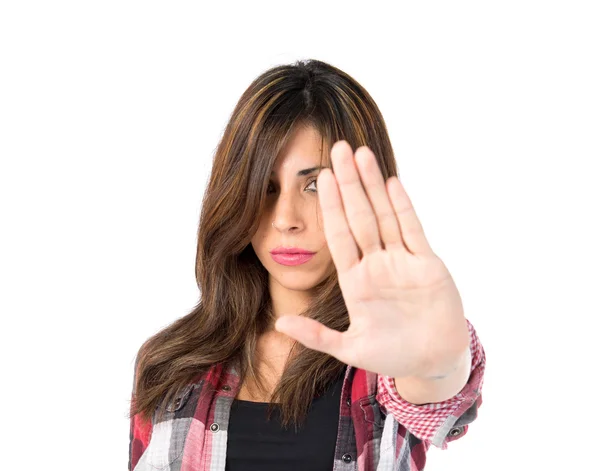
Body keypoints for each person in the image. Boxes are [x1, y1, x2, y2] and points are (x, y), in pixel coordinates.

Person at [127, 58, 486, 471]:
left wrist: (440, 364)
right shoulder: (169, 365)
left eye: (314, 185)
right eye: (265, 187)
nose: (285, 219)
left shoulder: (385, 361)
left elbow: (437, 393)